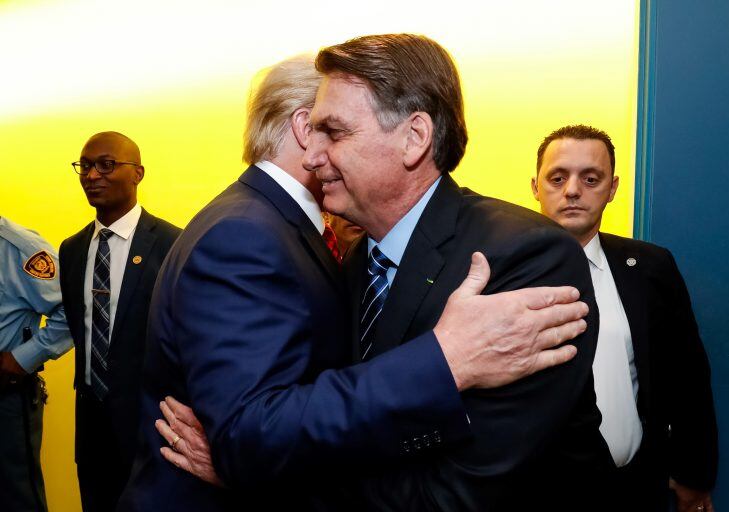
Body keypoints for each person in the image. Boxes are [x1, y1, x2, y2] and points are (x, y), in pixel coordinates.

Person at [117, 54, 590, 511]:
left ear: (414, 138)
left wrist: (251, 472)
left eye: (333, 132)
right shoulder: (355, 259)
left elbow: (455, 495)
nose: (313, 154)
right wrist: (252, 458)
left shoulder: (524, 255)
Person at [531, 124, 718, 512]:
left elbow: (688, 379)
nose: (572, 191)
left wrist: (693, 476)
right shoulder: (494, 272)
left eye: (591, 178)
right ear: (536, 186)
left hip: (632, 490)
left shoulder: (651, 267)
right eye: (558, 177)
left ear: (613, 188)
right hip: (530, 493)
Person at [58, 132, 181, 512]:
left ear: (138, 173)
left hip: (150, 428)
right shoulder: (72, 249)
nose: (92, 175)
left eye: (107, 165)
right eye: (85, 166)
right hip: (91, 429)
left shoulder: (172, 243)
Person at [0, 217, 73, 512]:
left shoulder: (20, 248)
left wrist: (21, 359)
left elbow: (73, 309)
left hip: (4, 399)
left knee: (15, 499)